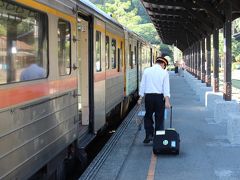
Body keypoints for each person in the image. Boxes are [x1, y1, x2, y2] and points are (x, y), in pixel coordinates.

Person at [138, 56, 171, 144]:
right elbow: (166, 89)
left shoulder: (147, 71)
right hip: (159, 98)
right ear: (163, 64)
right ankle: (158, 139)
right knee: (159, 118)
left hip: (149, 97)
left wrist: (140, 97)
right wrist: (167, 101)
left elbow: (142, 85)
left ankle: (149, 135)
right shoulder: (164, 73)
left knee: (148, 116)